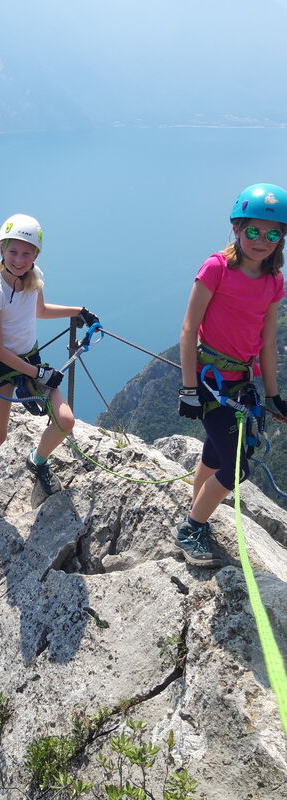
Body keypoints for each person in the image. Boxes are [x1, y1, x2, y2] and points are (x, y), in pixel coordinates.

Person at [178, 183, 287, 567]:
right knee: (236, 466)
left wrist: (272, 395)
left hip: (241, 383)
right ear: (237, 229)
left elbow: (268, 342)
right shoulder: (217, 268)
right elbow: (190, 329)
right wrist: (189, 387)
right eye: (253, 230)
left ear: (282, 239)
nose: (262, 240)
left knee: (215, 451)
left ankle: (195, 510)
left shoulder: (274, 283)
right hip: (209, 381)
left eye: (273, 233)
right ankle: (192, 527)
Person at [0, 213, 99, 520]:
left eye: (26, 253)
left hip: (29, 359)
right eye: (12, 251)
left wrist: (80, 311)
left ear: (36, 256)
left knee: (65, 420)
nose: (19, 259)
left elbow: (39, 310)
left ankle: (38, 460)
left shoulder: (33, 278)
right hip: (1, 366)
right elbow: (0, 349)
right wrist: (39, 374)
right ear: (1, 251)